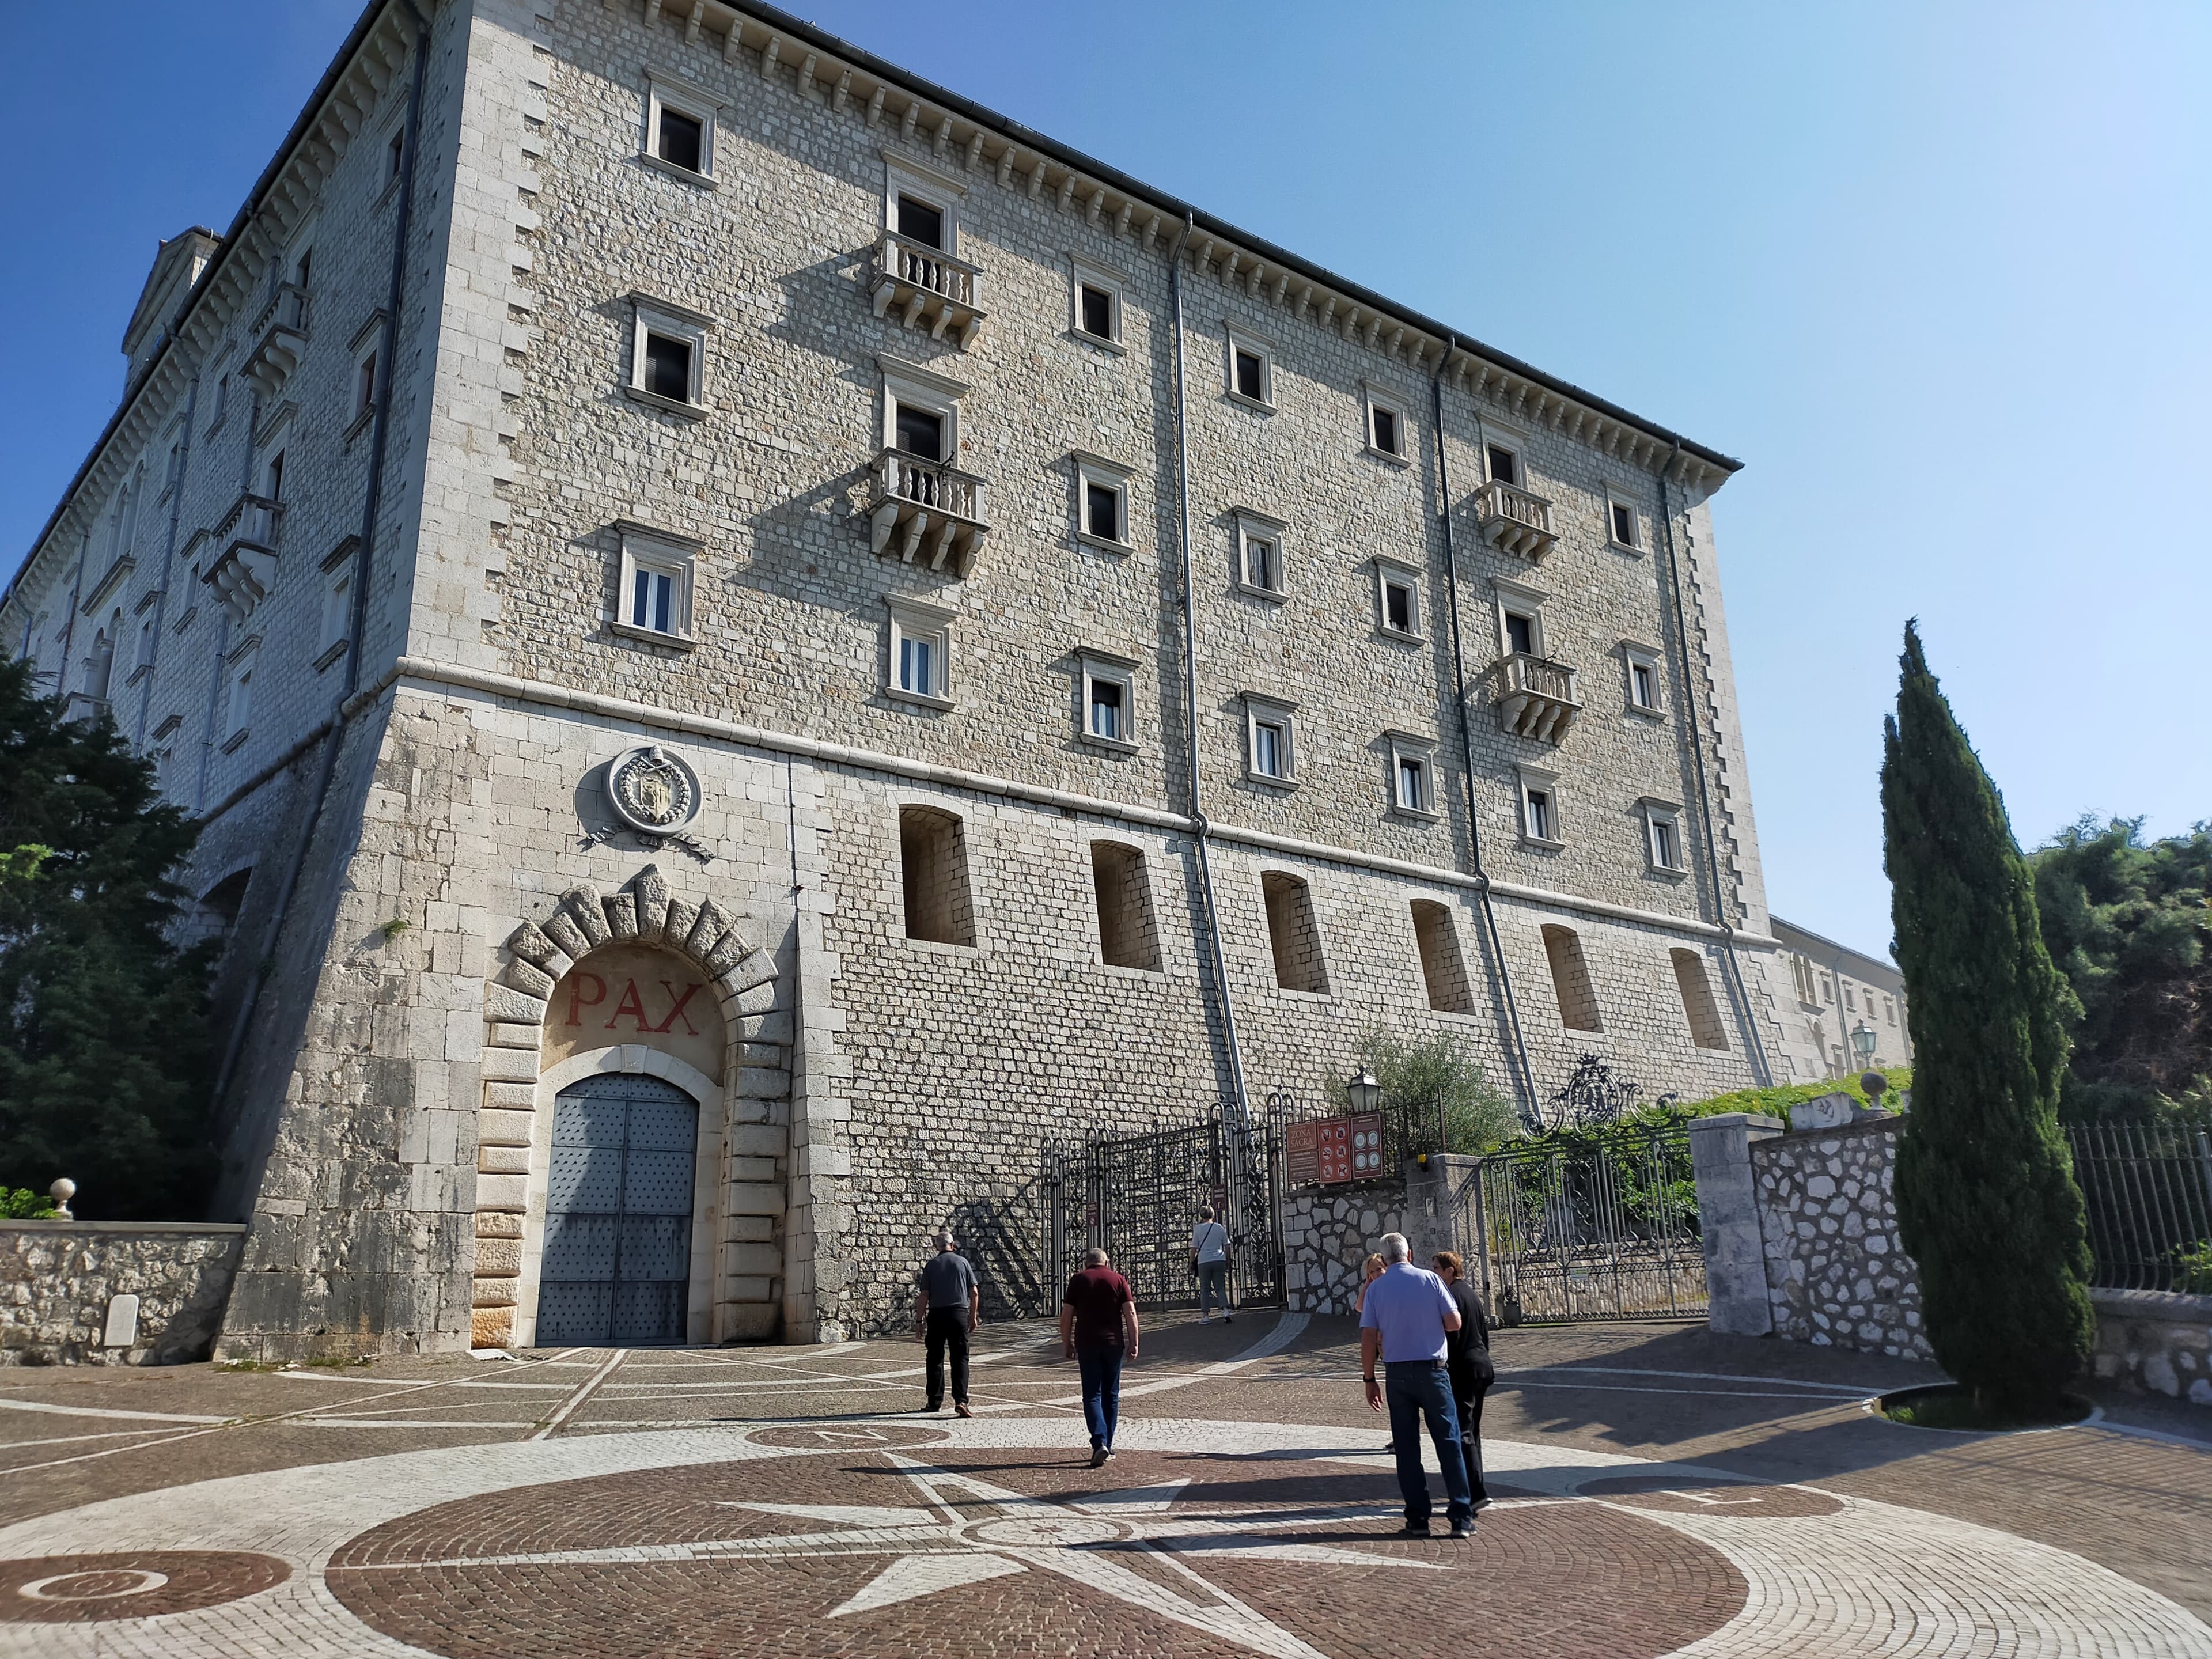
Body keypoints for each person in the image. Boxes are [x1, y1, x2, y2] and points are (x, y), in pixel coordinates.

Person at [1358, 1232, 1474, 1538]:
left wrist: (1369, 1379)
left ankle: (1418, 1518)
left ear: (1383, 1260)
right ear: (1409, 1254)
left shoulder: (1376, 1289)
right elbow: (1454, 1323)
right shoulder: (1431, 1281)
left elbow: (1368, 1337)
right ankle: (1461, 1516)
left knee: (1407, 1450)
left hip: (1397, 1374)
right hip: (1433, 1370)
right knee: (1449, 1444)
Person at [1061, 1246, 1141, 1467]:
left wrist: (1066, 1343)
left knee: (1092, 1395)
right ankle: (1109, 1443)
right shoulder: (1118, 1279)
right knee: (1111, 1394)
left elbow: (1067, 1314)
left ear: (1087, 1263)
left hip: (1087, 1344)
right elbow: (1130, 1312)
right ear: (1106, 1262)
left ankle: (1099, 1442)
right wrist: (1134, 1342)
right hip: (1113, 1344)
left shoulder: (1078, 1280)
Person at [1433, 1251, 1494, 1513]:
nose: (1433, 1272)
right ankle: (1476, 1485)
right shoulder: (1470, 1293)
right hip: (1482, 1366)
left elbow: (1450, 1337)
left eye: (1437, 1268)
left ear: (1449, 1270)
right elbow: (1483, 1332)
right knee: (1473, 1431)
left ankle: (1476, 1492)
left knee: (1463, 1431)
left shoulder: (1450, 1296)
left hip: (1463, 1370)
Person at [913, 1229, 979, 1418]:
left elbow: (924, 1296)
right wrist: (973, 1316)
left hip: (937, 1315)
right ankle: (961, 1401)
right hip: (959, 1314)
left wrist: (919, 1322)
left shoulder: (931, 1266)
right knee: (960, 1358)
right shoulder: (963, 1263)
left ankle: (934, 1401)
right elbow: (974, 1293)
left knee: (934, 1358)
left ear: (937, 1247)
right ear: (953, 1245)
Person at [1192, 1206, 1233, 1325]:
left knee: (1205, 1288)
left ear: (1201, 1215)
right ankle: (1225, 1311)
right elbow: (1227, 1245)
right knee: (1220, 1287)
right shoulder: (1219, 1228)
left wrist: (1191, 1262)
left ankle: (1205, 1316)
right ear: (1213, 1215)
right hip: (1219, 1259)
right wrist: (1228, 1260)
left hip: (1204, 1261)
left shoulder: (1198, 1229)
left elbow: (1194, 1248)